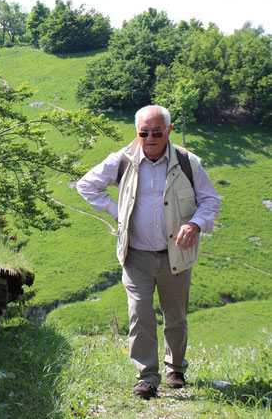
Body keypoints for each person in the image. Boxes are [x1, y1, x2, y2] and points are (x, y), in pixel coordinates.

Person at [76, 105, 220, 399]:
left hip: (176, 254)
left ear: (168, 131)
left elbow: (211, 202)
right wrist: (118, 213)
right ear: (137, 132)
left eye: (157, 132)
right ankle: (147, 377)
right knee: (140, 315)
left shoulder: (187, 161)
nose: (150, 138)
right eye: (144, 132)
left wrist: (195, 224)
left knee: (175, 316)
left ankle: (175, 368)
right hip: (136, 254)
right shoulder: (123, 159)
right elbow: (87, 185)